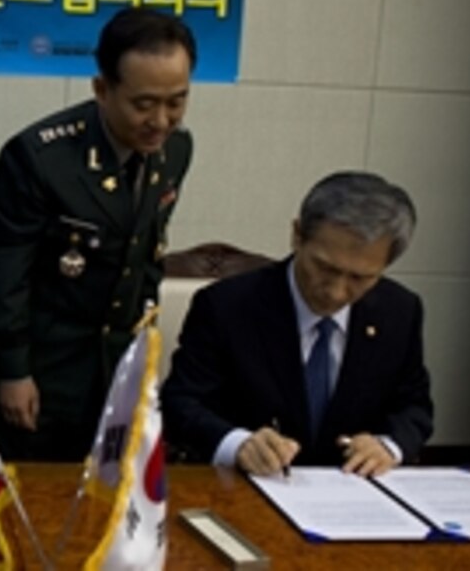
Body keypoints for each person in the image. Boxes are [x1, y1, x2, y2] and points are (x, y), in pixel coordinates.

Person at [0, 7, 196, 460]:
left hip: (111, 371)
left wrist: (140, 363)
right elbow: (4, 275)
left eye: (177, 101)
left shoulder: (176, 151)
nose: (162, 121)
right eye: (144, 104)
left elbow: (146, 252)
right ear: (102, 89)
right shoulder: (40, 158)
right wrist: (13, 373)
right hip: (40, 369)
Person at [162, 171, 434, 478]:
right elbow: (180, 402)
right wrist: (238, 445)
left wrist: (388, 446)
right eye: (324, 267)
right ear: (297, 235)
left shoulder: (399, 311)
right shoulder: (226, 305)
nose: (335, 291)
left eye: (359, 278)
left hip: (353, 492)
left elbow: (415, 408)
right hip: (247, 487)